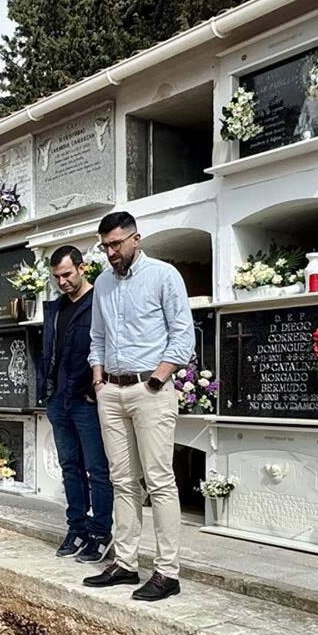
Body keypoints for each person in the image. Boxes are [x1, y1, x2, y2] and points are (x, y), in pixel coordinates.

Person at [84, 211, 195, 602]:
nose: (110, 252)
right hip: (111, 392)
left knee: (159, 480)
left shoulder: (164, 275)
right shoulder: (102, 283)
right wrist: (98, 380)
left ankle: (167, 572)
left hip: (151, 388)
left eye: (116, 244)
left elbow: (183, 335)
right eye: (105, 246)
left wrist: (158, 378)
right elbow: (97, 336)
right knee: (122, 481)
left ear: (136, 238)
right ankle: (126, 563)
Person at [39, 245, 114, 563]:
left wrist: (97, 389)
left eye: (67, 274)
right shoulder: (55, 308)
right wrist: (48, 392)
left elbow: (109, 345)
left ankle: (100, 532)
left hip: (87, 400)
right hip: (60, 400)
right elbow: (49, 353)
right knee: (70, 467)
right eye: (56, 277)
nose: (62, 282)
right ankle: (77, 528)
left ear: (82, 268)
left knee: (97, 469)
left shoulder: (100, 301)